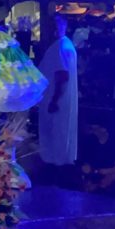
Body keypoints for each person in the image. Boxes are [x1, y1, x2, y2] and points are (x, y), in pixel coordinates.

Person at [39, 14, 78, 169]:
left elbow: (62, 76)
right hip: (62, 100)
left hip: (56, 100)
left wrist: (54, 100)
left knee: (56, 134)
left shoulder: (59, 47)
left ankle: (55, 167)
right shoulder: (66, 44)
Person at [78, 115, 115, 195]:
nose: (92, 130)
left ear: (103, 129)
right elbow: (86, 163)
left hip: (112, 179)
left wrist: (106, 172)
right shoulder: (89, 142)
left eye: (94, 128)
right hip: (94, 178)